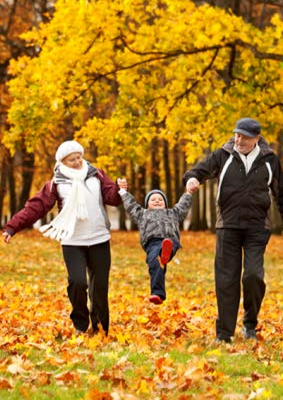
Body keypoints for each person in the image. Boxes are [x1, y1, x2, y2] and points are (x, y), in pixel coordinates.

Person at [183, 118, 283, 343]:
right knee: (226, 279)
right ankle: (224, 333)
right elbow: (198, 171)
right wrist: (192, 180)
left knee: (253, 275)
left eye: (245, 136)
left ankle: (250, 324)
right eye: (237, 135)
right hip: (228, 225)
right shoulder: (223, 155)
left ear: (257, 138)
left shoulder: (269, 159)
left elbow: (282, 193)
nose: (239, 140)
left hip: (257, 227)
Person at [2, 140, 126, 336]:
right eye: (72, 159)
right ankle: (80, 325)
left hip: (99, 238)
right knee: (78, 282)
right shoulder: (56, 183)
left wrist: (119, 189)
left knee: (100, 286)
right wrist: (11, 227)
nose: (78, 162)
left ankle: (100, 328)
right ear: (62, 161)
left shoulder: (96, 174)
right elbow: (36, 207)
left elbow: (111, 197)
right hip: (72, 241)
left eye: (79, 157)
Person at [117, 182, 193, 304]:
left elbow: (183, 205)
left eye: (160, 199)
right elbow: (131, 206)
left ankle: (165, 252)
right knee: (154, 263)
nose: (157, 201)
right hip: (152, 243)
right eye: (153, 200)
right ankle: (158, 293)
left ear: (165, 204)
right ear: (147, 204)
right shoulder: (142, 214)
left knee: (166, 247)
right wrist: (123, 192)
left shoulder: (173, 213)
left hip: (170, 241)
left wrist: (189, 193)